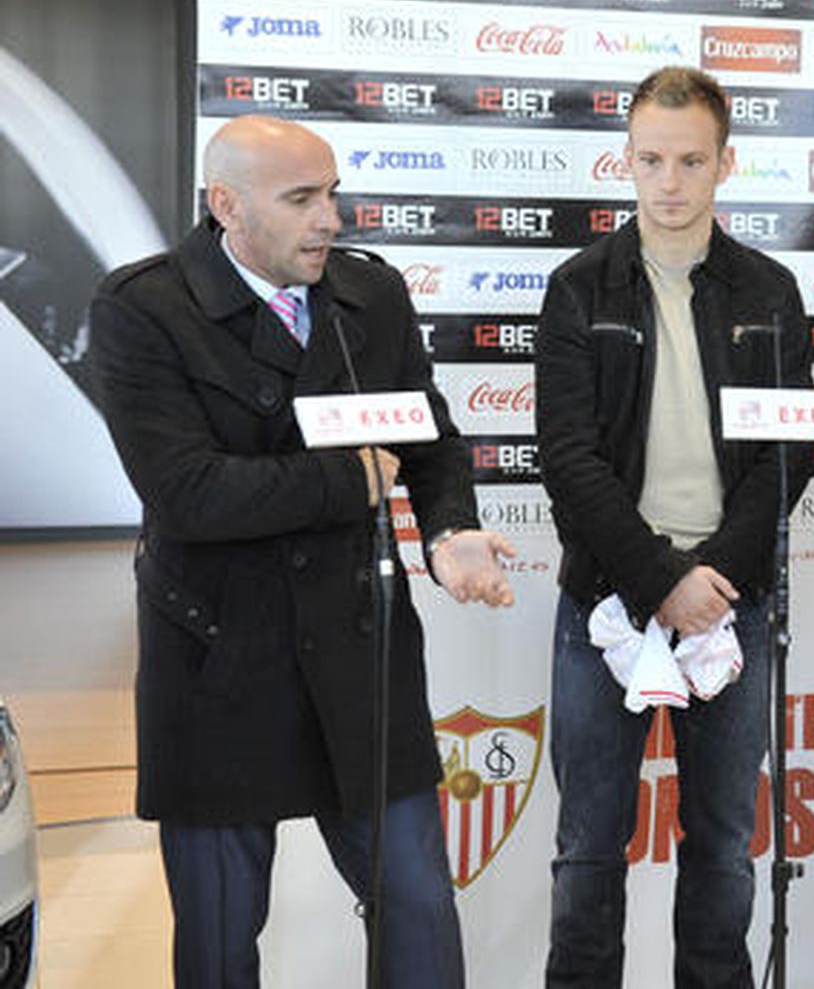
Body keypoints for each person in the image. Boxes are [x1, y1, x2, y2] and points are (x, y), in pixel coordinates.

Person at [88, 115, 515, 989]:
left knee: (421, 915)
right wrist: (344, 484)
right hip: (218, 665)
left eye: (332, 195)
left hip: (362, 659)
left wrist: (448, 530)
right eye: (302, 200)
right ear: (226, 206)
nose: (330, 219)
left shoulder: (373, 296)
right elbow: (188, 494)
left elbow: (426, 442)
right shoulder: (142, 308)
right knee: (217, 942)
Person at [535, 66, 812, 989]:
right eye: (651, 159)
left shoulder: (770, 291)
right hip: (606, 601)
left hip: (728, 603)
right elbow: (568, 459)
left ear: (725, 163)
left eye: (691, 160)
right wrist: (659, 580)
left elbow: (790, 454)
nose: (669, 182)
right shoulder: (580, 288)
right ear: (626, 159)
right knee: (587, 854)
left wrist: (712, 582)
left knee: (725, 851)